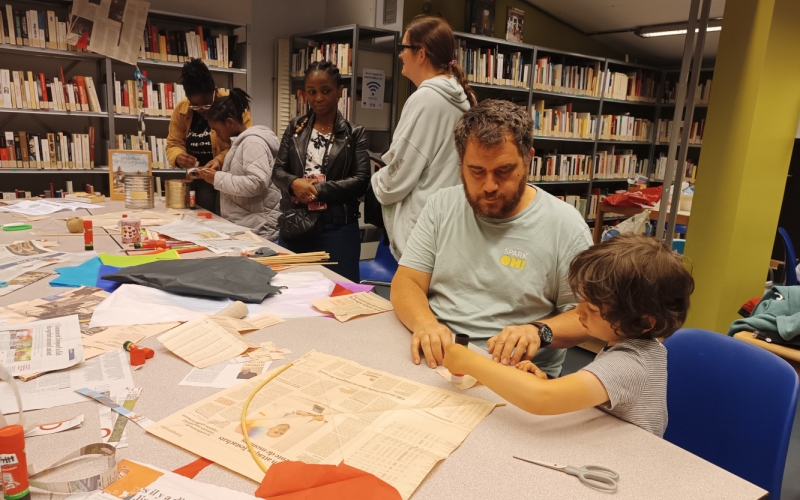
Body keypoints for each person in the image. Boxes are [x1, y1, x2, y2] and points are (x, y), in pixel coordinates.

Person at [391, 99, 592, 378]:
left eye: (503, 171)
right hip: (441, 359)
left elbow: (586, 316)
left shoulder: (566, 225)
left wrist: (538, 331)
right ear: (461, 163)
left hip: (516, 374)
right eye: (476, 172)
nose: (489, 186)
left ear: (528, 158)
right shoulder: (441, 206)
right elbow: (407, 282)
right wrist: (425, 324)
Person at [444, 235, 695, 437]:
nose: (578, 312)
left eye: (593, 309)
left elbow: (542, 400)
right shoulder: (634, 343)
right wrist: (545, 382)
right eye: (581, 301)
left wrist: (469, 362)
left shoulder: (631, 363)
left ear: (643, 322)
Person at [371, 16, 477, 259]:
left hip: (422, 231)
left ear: (421, 54)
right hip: (448, 227)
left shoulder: (425, 99)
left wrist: (379, 178)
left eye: (404, 48)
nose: (400, 55)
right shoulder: (464, 98)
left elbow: (398, 177)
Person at [272, 61, 370, 282]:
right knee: (292, 290)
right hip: (296, 224)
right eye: (311, 92)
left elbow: (361, 180)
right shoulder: (295, 128)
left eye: (325, 91)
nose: (318, 98)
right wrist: (294, 183)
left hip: (337, 228)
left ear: (339, 91)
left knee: (339, 292)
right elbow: (277, 171)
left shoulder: (355, 134)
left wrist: (318, 190)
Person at [166, 58, 252, 214]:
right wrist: (178, 157)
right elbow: (173, 143)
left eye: (206, 104)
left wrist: (219, 160)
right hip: (197, 180)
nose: (201, 109)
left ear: (214, 90)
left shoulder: (232, 104)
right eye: (195, 105)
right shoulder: (182, 109)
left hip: (227, 179)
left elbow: (242, 143)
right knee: (198, 219)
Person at [196, 89, 281, 240]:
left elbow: (257, 183)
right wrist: (219, 166)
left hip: (260, 230)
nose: (217, 135)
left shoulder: (252, 143)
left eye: (217, 130)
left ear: (229, 122)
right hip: (249, 227)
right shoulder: (240, 144)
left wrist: (217, 178)